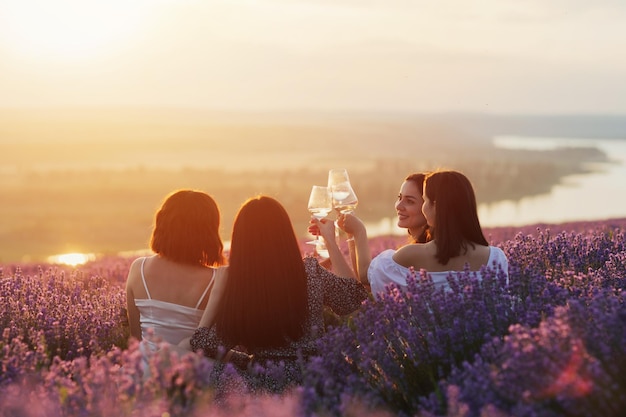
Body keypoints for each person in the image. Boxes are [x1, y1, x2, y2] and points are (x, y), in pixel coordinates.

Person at [187, 195, 368, 390]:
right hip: (318, 380)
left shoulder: (241, 285)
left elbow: (203, 345)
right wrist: (331, 241)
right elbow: (353, 298)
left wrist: (218, 292)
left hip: (266, 384)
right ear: (286, 235)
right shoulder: (309, 273)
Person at [366, 170, 508, 297]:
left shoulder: (411, 255)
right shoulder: (496, 258)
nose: (423, 207)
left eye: (425, 200)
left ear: (436, 206)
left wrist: (358, 232)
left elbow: (370, 277)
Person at [125, 189, 226, 355]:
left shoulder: (138, 268)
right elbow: (216, 345)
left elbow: (134, 340)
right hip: (191, 374)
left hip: (143, 370)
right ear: (209, 232)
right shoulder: (216, 280)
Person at [309, 172, 432, 289]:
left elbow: (362, 281)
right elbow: (365, 285)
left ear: (430, 207)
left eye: (410, 201)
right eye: (399, 198)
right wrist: (351, 233)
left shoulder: (413, 254)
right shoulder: (427, 249)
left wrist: (358, 231)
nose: (399, 206)